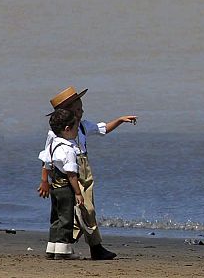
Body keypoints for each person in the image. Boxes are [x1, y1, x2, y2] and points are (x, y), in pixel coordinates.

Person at [37, 86, 137, 260]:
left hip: (84, 171)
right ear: (66, 112)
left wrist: (120, 120)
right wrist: (44, 180)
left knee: (83, 208)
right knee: (85, 209)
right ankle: (92, 246)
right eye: (77, 110)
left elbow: (103, 129)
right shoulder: (54, 134)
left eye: (81, 109)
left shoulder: (82, 127)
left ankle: (67, 243)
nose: (81, 112)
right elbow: (47, 157)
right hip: (68, 173)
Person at [41, 108, 84, 260]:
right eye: (75, 128)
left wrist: (45, 181)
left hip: (54, 187)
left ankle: (51, 247)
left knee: (55, 218)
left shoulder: (52, 146)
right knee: (66, 218)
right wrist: (78, 193)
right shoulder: (68, 150)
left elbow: (46, 165)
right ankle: (63, 250)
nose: (77, 131)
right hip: (65, 188)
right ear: (67, 129)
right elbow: (72, 174)